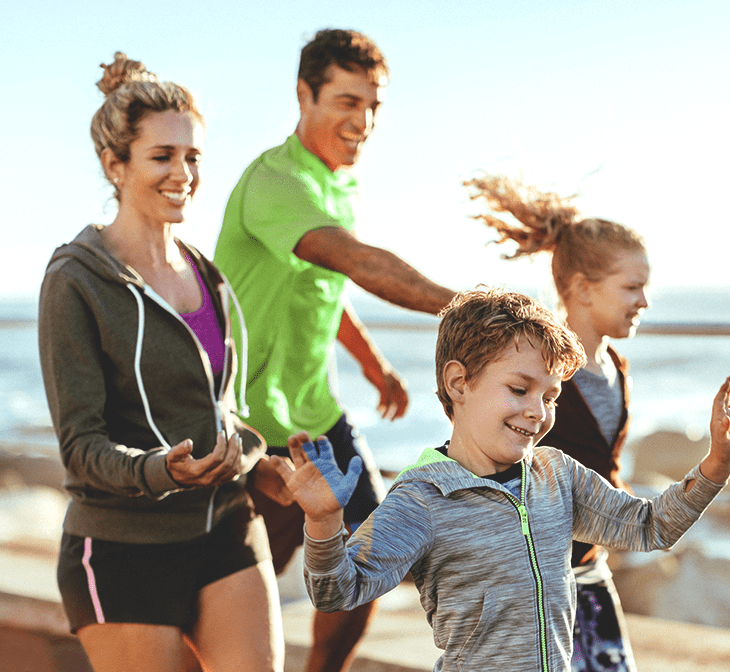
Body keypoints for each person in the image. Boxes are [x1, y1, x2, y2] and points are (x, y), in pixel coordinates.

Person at [272, 287, 730, 672]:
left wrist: (715, 468)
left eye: (551, 396)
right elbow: (338, 591)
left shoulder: (556, 474)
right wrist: (324, 520)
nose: (537, 412)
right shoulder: (423, 498)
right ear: (459, 384)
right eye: (518, 389)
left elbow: (649, 526)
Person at [213, 28, 455, 672]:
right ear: (304, 94)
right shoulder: (276, 181)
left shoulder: (333, 184)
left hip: (316, 414)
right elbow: (353, 260)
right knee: (223, 589)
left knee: (371, 555)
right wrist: (470, 305)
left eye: (374, 105)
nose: (364, 121)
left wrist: (373, 364)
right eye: (348, 101)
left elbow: (322, 285)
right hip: (254, 422)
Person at [38, 53, 287, 672]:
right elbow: (81, 448)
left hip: (226, 527)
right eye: (162, 156)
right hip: (125, 550)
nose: (183, 173)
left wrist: (259, 463)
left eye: (193, 156)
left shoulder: (208, 274)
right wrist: (161, 470)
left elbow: (219, 409)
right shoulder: (77, 281)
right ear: (113, 164)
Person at [466, 174, 649, 671]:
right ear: (583, 290)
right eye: (632, 287)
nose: (644, 301)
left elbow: (599, 464)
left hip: (589, 569)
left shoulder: (617, 369)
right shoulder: (538, 375)